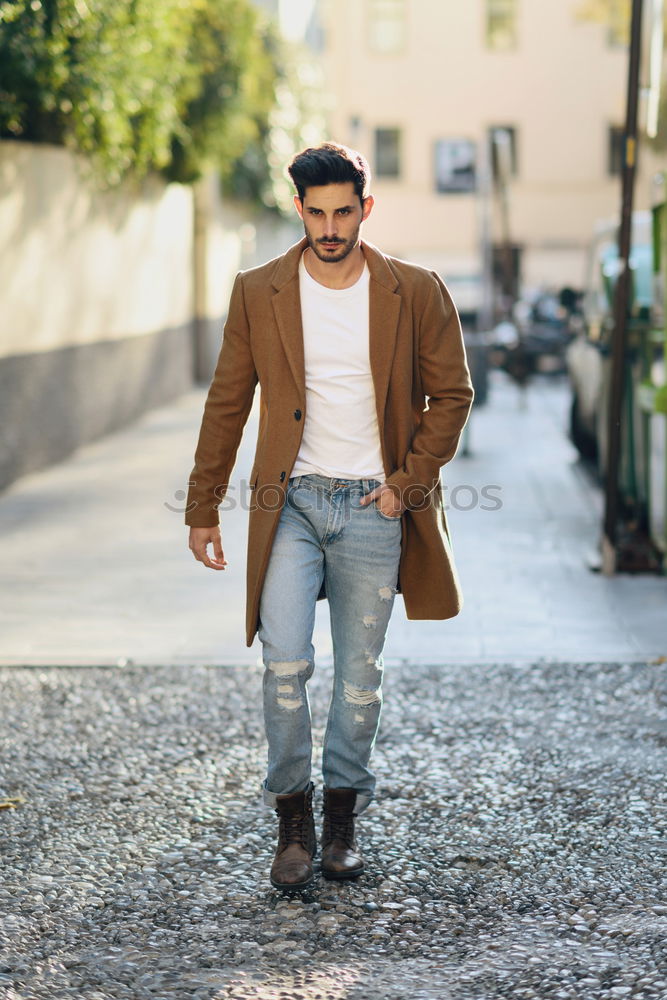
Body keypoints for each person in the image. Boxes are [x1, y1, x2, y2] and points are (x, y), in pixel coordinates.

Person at [185, 142, 473, 891]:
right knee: (283, 664)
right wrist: (203, 503)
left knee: (357, 677)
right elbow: (228, 399)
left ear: (365, 208)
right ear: (298, 209)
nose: (331, 227)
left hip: (373, 504)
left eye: (344, 211)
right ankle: (292, 819)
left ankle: (342, 813)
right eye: (316, 212)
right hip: (291, 502)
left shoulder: (414, 289)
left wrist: (406, 485)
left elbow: (453, 397)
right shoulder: (260, 290)